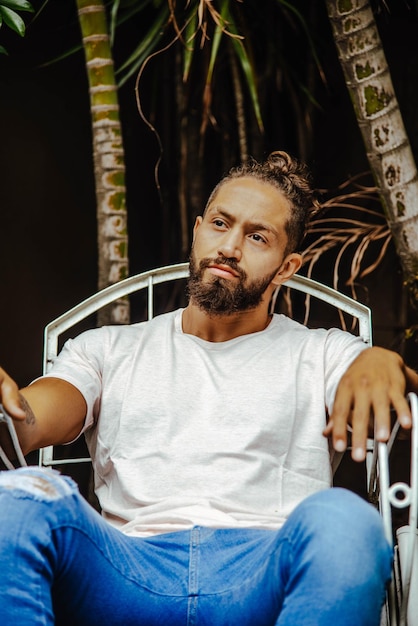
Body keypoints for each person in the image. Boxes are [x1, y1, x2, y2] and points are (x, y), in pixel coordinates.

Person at [0, 151, 416, 626]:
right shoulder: (108, 349)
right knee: (16, 500)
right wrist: (6, 411)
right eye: (220, 224)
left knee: (349, 521)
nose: (230, 247)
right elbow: (28, 420)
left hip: (263, 572)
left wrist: (383, 362)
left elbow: (395, 400)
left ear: (287, 266)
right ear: (197, 230)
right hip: (128, 569)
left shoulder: (322, 353)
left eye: (257, 236)